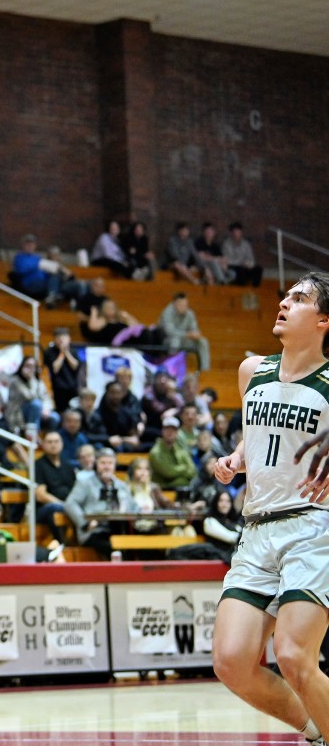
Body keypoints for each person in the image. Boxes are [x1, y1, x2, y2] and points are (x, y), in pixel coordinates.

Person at [208, 272, 329, 746]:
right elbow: (256, 435)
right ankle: (315, 727)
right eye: (285, 296)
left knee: (295, 656)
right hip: (256, 529)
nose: (284, 302)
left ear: (323, 320)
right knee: (231, 662)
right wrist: (237, 460)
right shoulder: (251, 371)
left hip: (313, 528)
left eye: (299, 299)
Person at [64, 448, 138, 559]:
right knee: (114, 548)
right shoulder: (85, 483)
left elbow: (134, 507)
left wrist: (143, 509)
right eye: (103, 463)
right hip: (94, 530)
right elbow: (70, 503)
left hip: (118, 529)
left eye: (110, 463)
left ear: (114, 465)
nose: (106, 466)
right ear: (96, 464)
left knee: (136, 545)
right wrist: (85, 523)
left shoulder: (121, 485)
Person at [34, 431, 77, 549]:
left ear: (62, 444)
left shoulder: (68, 465)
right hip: (44, 509)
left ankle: (78, 542)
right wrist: (62, 504)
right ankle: (61, 543)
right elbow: (40, 495)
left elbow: (76, 491)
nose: (53, 445)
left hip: (68, 505)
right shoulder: (38, 465)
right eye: (49, 442)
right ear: (43, 445)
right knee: (54, 508)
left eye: (56, 441)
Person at [157, 292, 212, 372]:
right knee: (175, 341)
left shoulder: (190, 314)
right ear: (174, 304)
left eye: (185, 305)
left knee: (203, 342)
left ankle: (205, 370)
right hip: (166, 340)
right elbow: (170, 332)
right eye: (181, 305)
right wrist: (187, 334)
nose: (184, 307)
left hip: (183, 340)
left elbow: (194, 328)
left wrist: (196, 334)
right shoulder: (167, 312)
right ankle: (172, 369)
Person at [149, 415, 198, 490]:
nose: (170, 432)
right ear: (162, 431)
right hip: (162, 489)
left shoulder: (180, 449)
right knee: (184, 482)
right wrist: (184, 468)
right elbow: (168, 473)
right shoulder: (156, 452)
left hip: (180, 487)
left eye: (173, 429)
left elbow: (192, 471)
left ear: (177, 432)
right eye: (167, 429)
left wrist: (180, 471)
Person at [43, 327, 82, 413]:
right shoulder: (50, 352)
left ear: (69, 338)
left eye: (64, 337)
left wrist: (66, 352)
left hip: (73, 387)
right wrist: (61, 353)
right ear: (54, 339)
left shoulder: (74, 351)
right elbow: (55, 368)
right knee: (61, 411)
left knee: (74, 411)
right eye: (58, 337)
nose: (61, 340)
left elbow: (75, 366)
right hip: (58, 388)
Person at [223, 222, 263, 288]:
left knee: (258, 269)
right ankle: (241, 289)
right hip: (234, 267)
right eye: (234, 232)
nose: (236, 234)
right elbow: (226, 260)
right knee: (240, 270)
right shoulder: (226, 244)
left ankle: (255, 289)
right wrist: (240, 263)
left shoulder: (246, 244)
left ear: (241, 232)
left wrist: (248, 264)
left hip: (245, 267)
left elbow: (251, 259)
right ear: (231, 233)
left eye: (237, 231)